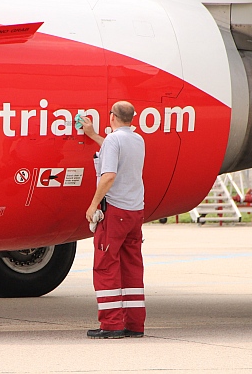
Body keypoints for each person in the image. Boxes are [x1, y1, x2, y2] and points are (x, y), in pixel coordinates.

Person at [79, 101, 146, 339]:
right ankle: (135, 325)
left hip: (115, 212)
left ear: (111, 117)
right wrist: (95, 136)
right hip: (135, 211)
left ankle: (111, 324)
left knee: (105, 265)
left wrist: (93, 204)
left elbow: (108, 176)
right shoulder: (137, 140)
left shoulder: (113, 141)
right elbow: (113, 150)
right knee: (132, 267)